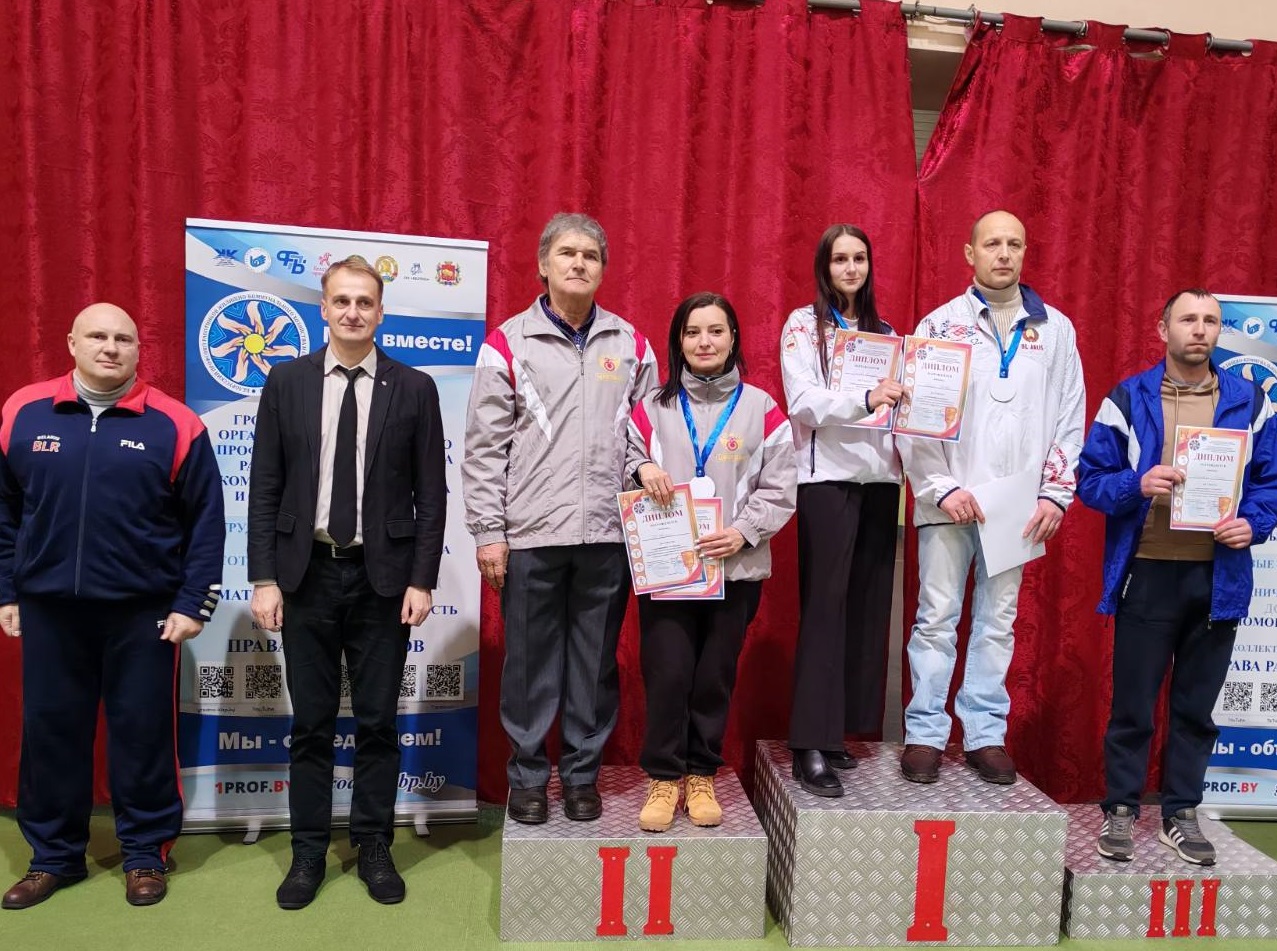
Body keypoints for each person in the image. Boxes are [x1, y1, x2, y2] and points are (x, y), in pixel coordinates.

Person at [0, 303, 225, 910]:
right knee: (50, 734)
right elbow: (5, 511)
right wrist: (7, 590)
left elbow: (207, 524)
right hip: (50, 610)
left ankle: (145, 853)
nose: (110, 347)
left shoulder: (175, 424)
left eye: (123, 338)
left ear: (138, 349)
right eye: (97, 336)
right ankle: (53, 857)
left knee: (142, 735)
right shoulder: (24, 412)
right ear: (71, 342)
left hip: (143, 614)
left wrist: (192, 603)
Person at [248, 256, 446, 908]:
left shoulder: (414, 387)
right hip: (304, 576)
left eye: (365, 301)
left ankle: (373, 845)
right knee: (310, 722)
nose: (353, 311)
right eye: (342, 301)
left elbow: (432, 494)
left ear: (381, 312)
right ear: (324, 309)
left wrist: (422, 579)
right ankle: (307, 850)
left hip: (382, 580)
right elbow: (265, 486)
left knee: (377, 722)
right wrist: (264, 577)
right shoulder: (287, 381)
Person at [463, 212, 657, 824]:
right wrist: (489, 533)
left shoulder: (632, 344)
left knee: (595, 666)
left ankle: (580, 776)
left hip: (608, 534)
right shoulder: (506, 343)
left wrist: (643, 472)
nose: (579, 263)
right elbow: (484, 448)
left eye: (590, 256)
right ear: (543, 265)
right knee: (528, 666)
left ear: (603, 270)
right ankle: (526, 778)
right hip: (531, 534)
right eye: (567, 253)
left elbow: (645, 435)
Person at [1078, 289, 1277, 865]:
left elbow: (1270, 483)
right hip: (1147, 573)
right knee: (1133, 706)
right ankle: (1121, 807)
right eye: (1188, 319)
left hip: (1218, 579)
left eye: (1211, 320)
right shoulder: (1128, 396)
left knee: (1195, 708)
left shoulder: (1251, 401)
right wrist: (1135, 484)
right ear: (1162, 328)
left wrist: (1254, 523)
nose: (1200, 329)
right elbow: (1090, 481)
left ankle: (1181, 812)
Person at [897, 210, 1085, 785]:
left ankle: (984, 734)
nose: (1004, 254)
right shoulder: (939, 326)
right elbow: (914, 418)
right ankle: (925, 733)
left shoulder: (1055, 331)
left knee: (997, 622)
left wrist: (1054, 494)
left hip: (1016, 507)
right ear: (969, 253)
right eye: (993, 244)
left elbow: (1069, 417)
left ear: (1025, 252)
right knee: (935, 618)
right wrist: (942, 487)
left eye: (1014, 244)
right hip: (949, 501)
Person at [626, 292, 795, 830]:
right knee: (668, 673)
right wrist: (640, 470)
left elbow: (782, 486)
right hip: (669, 570)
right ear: (678, 341)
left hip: (735, 569)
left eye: (716, 331)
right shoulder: (652, 407)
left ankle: (701, 774)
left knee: (713, 677)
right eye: (693, 332)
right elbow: (625, 456)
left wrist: (743, 532)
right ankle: (663, 777)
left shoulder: (762, 409)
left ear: (733, 338)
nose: (704, 342)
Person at [780, 224, 906, 797]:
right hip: (825, 479)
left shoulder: (888, 334)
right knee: (825, 611)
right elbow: (803, 400)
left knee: (865, 610)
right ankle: (807, 742)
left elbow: (902, 407)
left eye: (859, 258)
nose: (851, 268)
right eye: (839, 259)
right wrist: (866, 398)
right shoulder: (803, 325)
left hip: (879, 479)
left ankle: (835, 734)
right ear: (823, 267)